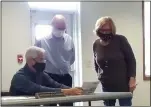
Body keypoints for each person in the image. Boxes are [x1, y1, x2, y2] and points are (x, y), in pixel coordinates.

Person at [9, 46, 83, 106]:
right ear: (31, 61)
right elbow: (40, 90)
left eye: (44, 59)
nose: (44, 62)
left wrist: (75, 90)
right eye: (41, 59)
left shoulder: (41, 74)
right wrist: (68, 91)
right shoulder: (19, 77)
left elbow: (56, 85)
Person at [93, 16, 137, 106]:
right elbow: (96, 64)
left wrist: (132, 79)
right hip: (106, 85)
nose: (105, 32)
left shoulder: (120, 40)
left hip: (123, 84)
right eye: (103, 30)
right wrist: (99, 76)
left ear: (112, 30)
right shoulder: (96, 44)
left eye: (108, 30)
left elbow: (131, 60)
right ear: (98, 30)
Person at [35, 14, 75, 106]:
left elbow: (72, 58)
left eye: (63, 28)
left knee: (67, 104)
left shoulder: (69, 39)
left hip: (66, 77)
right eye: (58, 28)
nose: (60, 31)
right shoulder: (41, 40)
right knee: (50, 104)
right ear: (52, 26)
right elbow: (37, 60)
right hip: (49, 77)